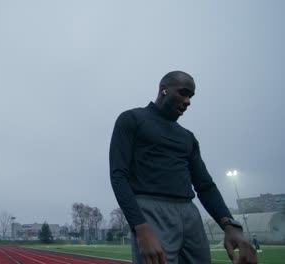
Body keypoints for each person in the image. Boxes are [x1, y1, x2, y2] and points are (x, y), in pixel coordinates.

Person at [109, 71, 257, 264]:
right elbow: (118, 175)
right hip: (151, 211)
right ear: (163, 89)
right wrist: (141, 228)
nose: (188, 101)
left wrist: (229, 224)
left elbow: (205, 185)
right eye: (183, 93)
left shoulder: (188, 137)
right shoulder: (132, 119)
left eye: (191, 96)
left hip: (189, 213)